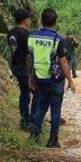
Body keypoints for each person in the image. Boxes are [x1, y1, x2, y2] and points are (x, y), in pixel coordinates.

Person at [28, 8, 75, 148]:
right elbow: (63, 61)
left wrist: (31, 76)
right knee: (55, 109)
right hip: (56, 80)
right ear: (55, 22)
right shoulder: (57, 39)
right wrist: (70, 81)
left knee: (41, 108)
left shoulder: (32, 37)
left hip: (39, 78)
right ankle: (53, 140)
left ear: (41, 21)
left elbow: (28, 58)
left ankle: (34, 137)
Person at [7, 9, 33, 130]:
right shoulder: (25, 34)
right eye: (29, 18)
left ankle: (25, 120)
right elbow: (28, 55)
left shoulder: (11, 32)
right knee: (30, 93)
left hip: (15, 65)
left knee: (24, 93)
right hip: (24, 67)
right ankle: (28, 121)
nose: (30, 21)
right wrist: (30, 73)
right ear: (25, 20)